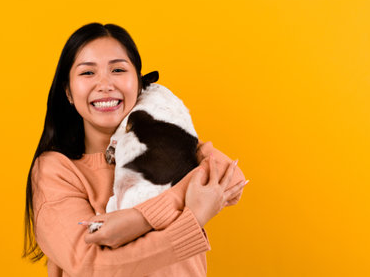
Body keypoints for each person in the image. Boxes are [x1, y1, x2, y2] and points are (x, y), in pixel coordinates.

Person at [22, 22, 249, 277]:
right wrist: (192, 217)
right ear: (68, 92)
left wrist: (138, 219)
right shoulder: (56, 169)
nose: (105, 84)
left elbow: (233, 179)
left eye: (118, 69)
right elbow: (91, 266)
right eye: (88, 73)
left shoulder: (170, 143)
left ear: (139, 83)